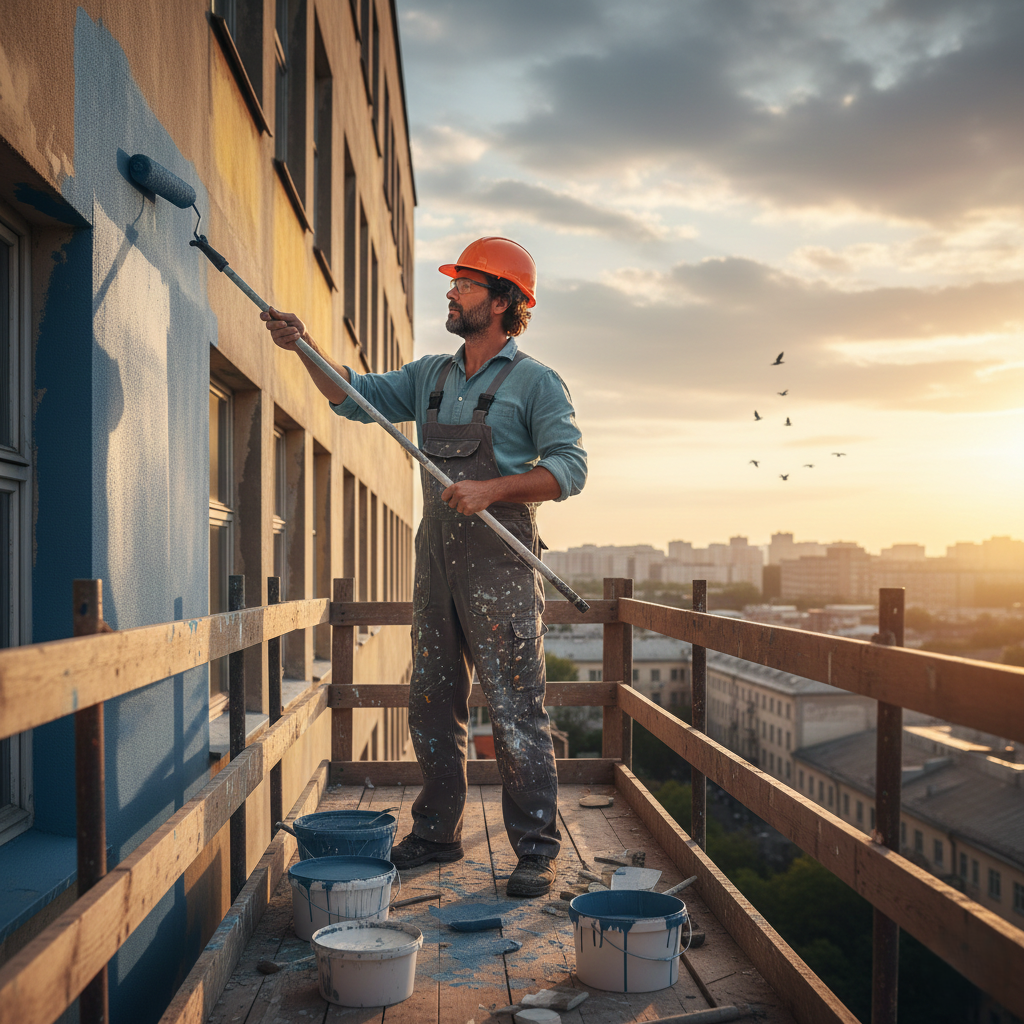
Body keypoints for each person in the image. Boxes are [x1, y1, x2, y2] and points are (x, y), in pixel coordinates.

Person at [261, 236, 586, 897]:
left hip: (500, 570)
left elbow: (570, 469)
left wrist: (492, 490)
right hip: (434, 567)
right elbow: (354, 397)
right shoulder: (431, 375)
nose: (452, 292)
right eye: (455, 283)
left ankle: (535, 850)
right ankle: (436, 834)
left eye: (465, 285)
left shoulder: (536, 382)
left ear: (503, 302)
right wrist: (302, 347)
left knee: (517, 712)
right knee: (431, 704)